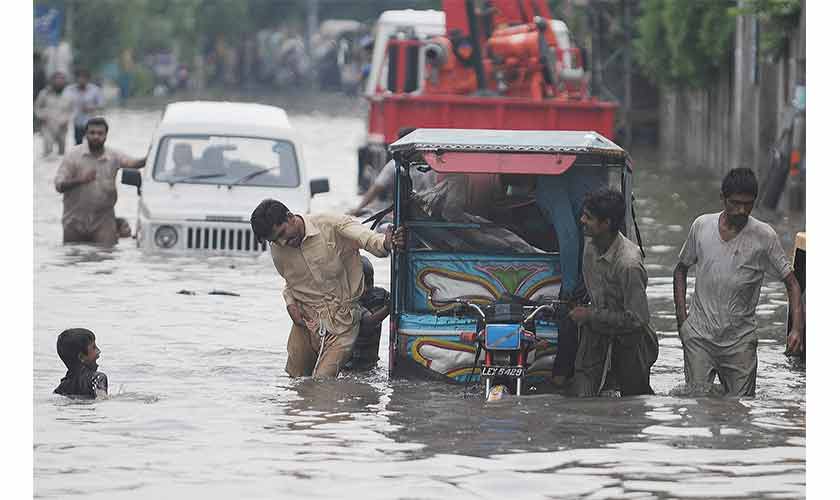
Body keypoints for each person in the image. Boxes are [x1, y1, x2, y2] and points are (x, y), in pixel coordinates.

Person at [673, 168, 803, 397]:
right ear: (722, 198)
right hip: (699, 338)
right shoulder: (702, 226)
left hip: (740, 342)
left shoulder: (764, 236)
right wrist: (683, 321)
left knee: (741, 410)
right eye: (735, 203)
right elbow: (681, 270)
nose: (741, 210)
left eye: (748, 204)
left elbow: (792, 283)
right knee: (698, 407)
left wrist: (797, 329)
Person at [250, 199, 405, 378]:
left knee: (323, 384)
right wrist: (290, 304)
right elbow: (290, 282)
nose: (283, 242)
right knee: (296, 384)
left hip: (342, 323)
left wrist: (387, 242)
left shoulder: (331, 224)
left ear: (290, 217)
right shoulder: (278, 249)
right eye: (275, 240)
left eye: (283, 233)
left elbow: (369, 239)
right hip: (305, 323)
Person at [568, 188, 659, 397]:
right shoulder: (590, 247)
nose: (581, 220)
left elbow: (638, 319)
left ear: (606, 224)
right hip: (597, 333)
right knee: (582, 399)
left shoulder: (628, 264)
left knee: (633, 404)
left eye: (588, 218)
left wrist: (590, 315)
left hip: (631, 342)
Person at [54, 117, 147, 246]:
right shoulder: (73, 156)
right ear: (86, 135)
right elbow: (59, 185)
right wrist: (80, 180)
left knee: (106, 258)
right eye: (92, 133)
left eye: (100, 133)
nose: (96, 136)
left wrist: (151, 153)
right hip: (74, 221)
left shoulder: (113, 156)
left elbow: (135, 163)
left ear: (106, 135)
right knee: (74, 256)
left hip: (103, 221)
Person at [348, 127, 437, 216]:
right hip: (429, 210)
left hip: (408, 212)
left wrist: (358, 209)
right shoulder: (435, 163)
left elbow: (376, 188)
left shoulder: (395, 164)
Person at [344, 256, 390, 371]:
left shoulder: (380, 295)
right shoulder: (349, 302)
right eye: (360, 285)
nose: (365, 289)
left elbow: (395, 300)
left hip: (371, 362)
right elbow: (369, 322)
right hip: (350, 365)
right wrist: (388, 308)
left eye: (369, 283)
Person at [54, 328, 108, 398]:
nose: (98, 351)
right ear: (82, 357)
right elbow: (102, 398)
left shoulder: (61, 387)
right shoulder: (97, 378)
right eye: (94, 348)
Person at [35, 71, 73, 157]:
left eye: (61, 79)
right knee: (48, 148)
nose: (59, 81)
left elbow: (72, 110)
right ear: (52, 81)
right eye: (57, 79)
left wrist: (67, 119)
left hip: (62, 126)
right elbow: (37, 107)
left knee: (62, 151)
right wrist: (42, 116)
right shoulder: (44, 93)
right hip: (48, 125)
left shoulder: (69, 94)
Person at [63, 68, 105, 145]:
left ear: (88, 79)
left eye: (84, 78)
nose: (82, 80)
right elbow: (64, 104)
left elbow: (101, 105)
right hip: (77, 121)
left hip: (92, 122)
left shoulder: (95, 90)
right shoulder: (70, 90)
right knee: (78, 143)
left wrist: (91, 108)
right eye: (80, 77)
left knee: (93, 143)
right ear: (76, 78)